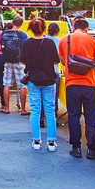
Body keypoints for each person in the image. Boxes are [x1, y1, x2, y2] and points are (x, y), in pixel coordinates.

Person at [59, 17, 95, 159]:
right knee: (91, 117)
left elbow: (63, 61)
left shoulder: (63, 40)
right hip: (90, 84)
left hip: (72, 84)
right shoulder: (92, 40)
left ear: (73, 27)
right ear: (87, 28)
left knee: (73, 116)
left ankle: (76, 147)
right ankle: (92, 149)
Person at [21, 18, 61, 151]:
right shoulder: (49, 43)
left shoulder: (26, 43)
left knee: (35, 111)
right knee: (49, 111)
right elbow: (56, 61)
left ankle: (36, 141)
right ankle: (51, 142)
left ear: (30, 29)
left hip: (33, 80)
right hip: (49, 80)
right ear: (44, 28)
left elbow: (22, 62)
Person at [0, 16, 29, 115]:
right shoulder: (23, 35)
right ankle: (23, 109)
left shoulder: (5, 33)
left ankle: (7, 108)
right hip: (19, 62)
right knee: (22, 85)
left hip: (8, 61)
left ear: (12, 22)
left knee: (7, 84)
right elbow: (25, 49)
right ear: (21, 24)